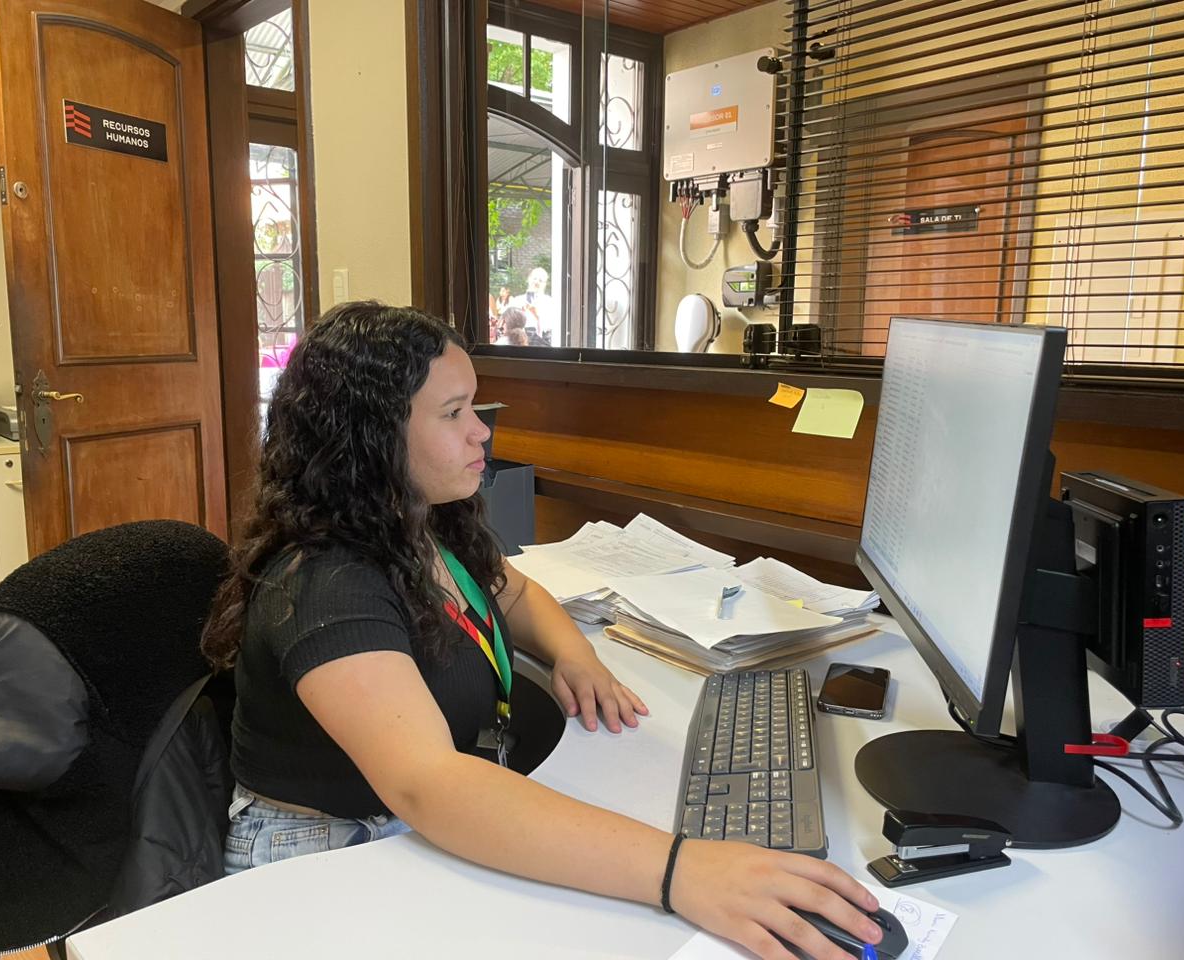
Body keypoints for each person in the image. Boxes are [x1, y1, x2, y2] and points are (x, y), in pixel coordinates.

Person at [200, 301, 884, 960]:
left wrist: (573, 653)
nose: (481, 432)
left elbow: (517, 592)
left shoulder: (418, 521)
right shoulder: (327, 582)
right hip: (325, 852)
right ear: (371, 437)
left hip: (414, 810)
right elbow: (429, 784)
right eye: (453, 413)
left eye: (475, 406)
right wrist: (681, 871)